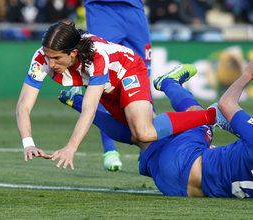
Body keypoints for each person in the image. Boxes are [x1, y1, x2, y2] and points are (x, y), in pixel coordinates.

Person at [16, 22, 217, 171]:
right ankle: (200, 141)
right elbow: (23, 105)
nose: (50, 64)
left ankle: (211, 114)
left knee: (144, 132)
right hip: (106, 88)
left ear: (74, 53)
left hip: (128, 71)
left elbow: (91, 108)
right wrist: (28, 143)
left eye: (56, 58)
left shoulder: (97, 57)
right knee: (144, 139)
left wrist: (71, 147)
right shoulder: (41, 58)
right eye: (48, 56)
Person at [59, 59, 253, 198]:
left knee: (200, 116)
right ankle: (75, 101)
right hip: (175, 189)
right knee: (140, 139)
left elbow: (226, 104)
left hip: (183, 161)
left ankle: (168, 82)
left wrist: (246, 75)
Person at [82, 0, 152, 171]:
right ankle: (110, 150)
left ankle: (148, 151)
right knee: (101, 77)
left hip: (134, 9)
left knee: (143, 76)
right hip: (101, 7)